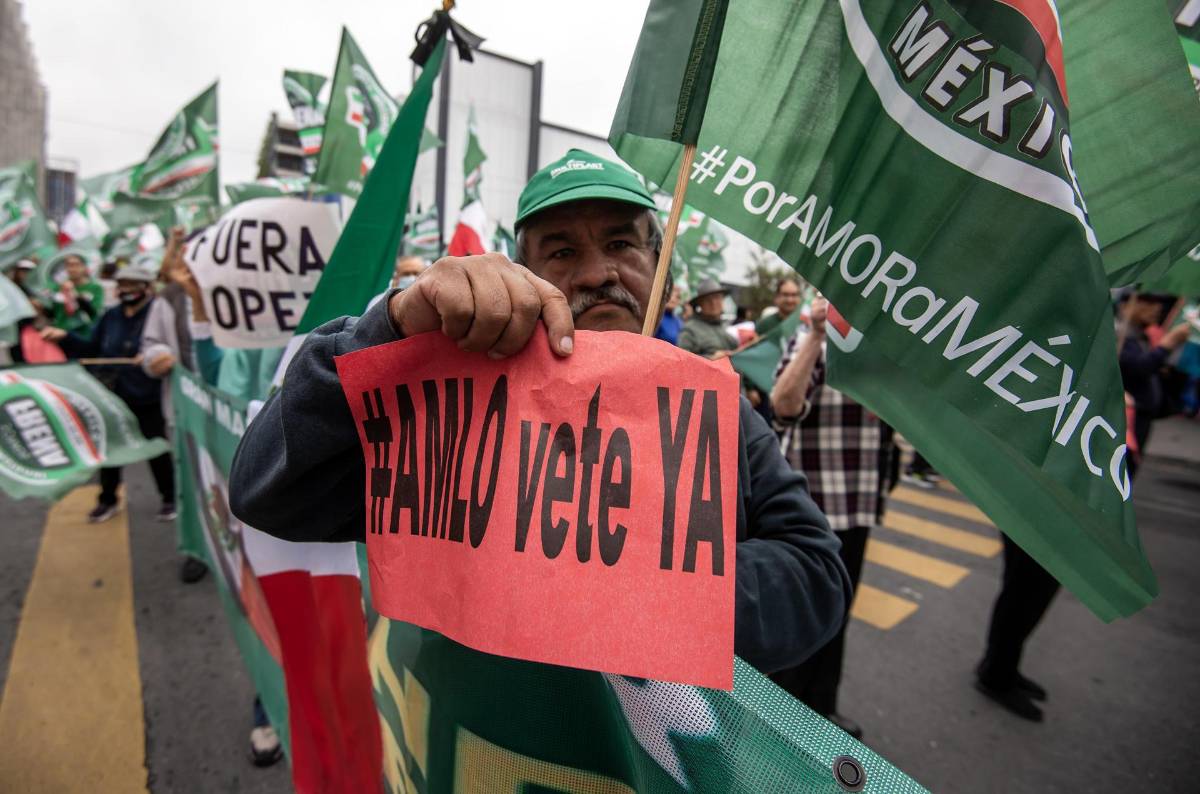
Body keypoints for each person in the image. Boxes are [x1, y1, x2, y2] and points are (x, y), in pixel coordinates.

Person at [228, 148, 852, 676]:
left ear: (659, 267)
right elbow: (266, 490)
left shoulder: (712, 409)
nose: (597, 272)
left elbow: (816, 576)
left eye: (620, 243)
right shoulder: (458, 402)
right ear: (521, 276)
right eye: (561, 253)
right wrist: (391, 329)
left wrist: (618, 580)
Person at [769, 295, 896, 739]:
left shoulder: (887, 351)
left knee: (838, 614)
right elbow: (782, 404)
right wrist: (817, 336)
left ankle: (822, 709)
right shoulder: (816, 339)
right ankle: (781, 726)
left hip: (856, 503)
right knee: (799, 622)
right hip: (810, 506)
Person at [42, 266, 176, 525]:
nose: (126, 290)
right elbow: (91, 348)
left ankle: (169, 497)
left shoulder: (157, 313)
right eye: (122, 284)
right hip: (111, 395)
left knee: (156, 447)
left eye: (133, 285)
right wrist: (65, 337)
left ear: (147, 288)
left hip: (146, 394)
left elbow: (166, 349)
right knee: (110, 449)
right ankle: (108, 499)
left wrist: (153, 358)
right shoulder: (111, 316)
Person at [1117, 292, 1190, 473]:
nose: (1157, 308)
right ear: (1127, 305)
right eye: (1148, 301)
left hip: (1144, 416)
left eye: (1158, 303)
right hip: (1126, 416)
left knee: (1130, 470)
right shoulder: (1119, 334)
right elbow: (1138, 368)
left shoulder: (1143, 335)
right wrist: (1167, 344)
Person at [678, 278, 737, 359]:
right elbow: (682, 359)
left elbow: (735, 348)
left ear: (722, 299)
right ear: (700, 304)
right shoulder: (690, 329)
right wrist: (711, 358)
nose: (713, 303)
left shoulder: (722, 326)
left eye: (717, 297)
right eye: (707, 299)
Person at [49, 253, 105, 333]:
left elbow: (94, 312)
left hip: (84, 333)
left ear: (84, 267)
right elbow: (52, 312)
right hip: (61, 332)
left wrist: (74, 293)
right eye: (69, 265)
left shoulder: (95, 288)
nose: (73, 269)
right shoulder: (58, 288)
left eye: (77, 265)